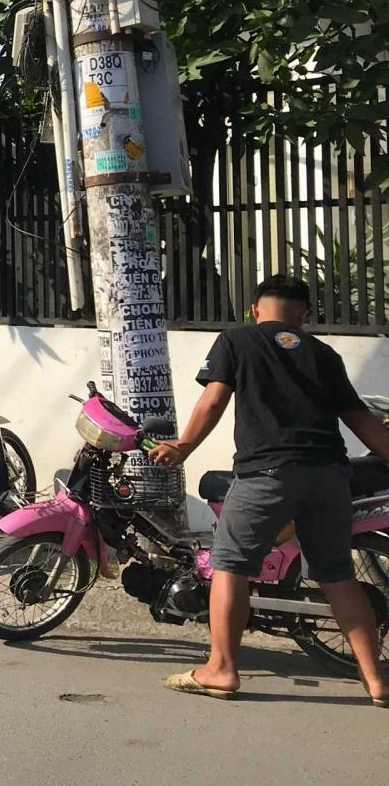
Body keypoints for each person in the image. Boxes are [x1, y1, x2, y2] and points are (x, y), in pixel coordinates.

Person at [149, 274, 389, 705]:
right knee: (337, 575)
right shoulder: (324, 354)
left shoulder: (237, 340)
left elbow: (214, 399)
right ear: (304, 314)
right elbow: (360, 419)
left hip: (266, 473)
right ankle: (376, 680)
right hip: (330, 476)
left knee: (230, 565)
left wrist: (183, 446)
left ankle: (221, 668)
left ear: (255, 309)